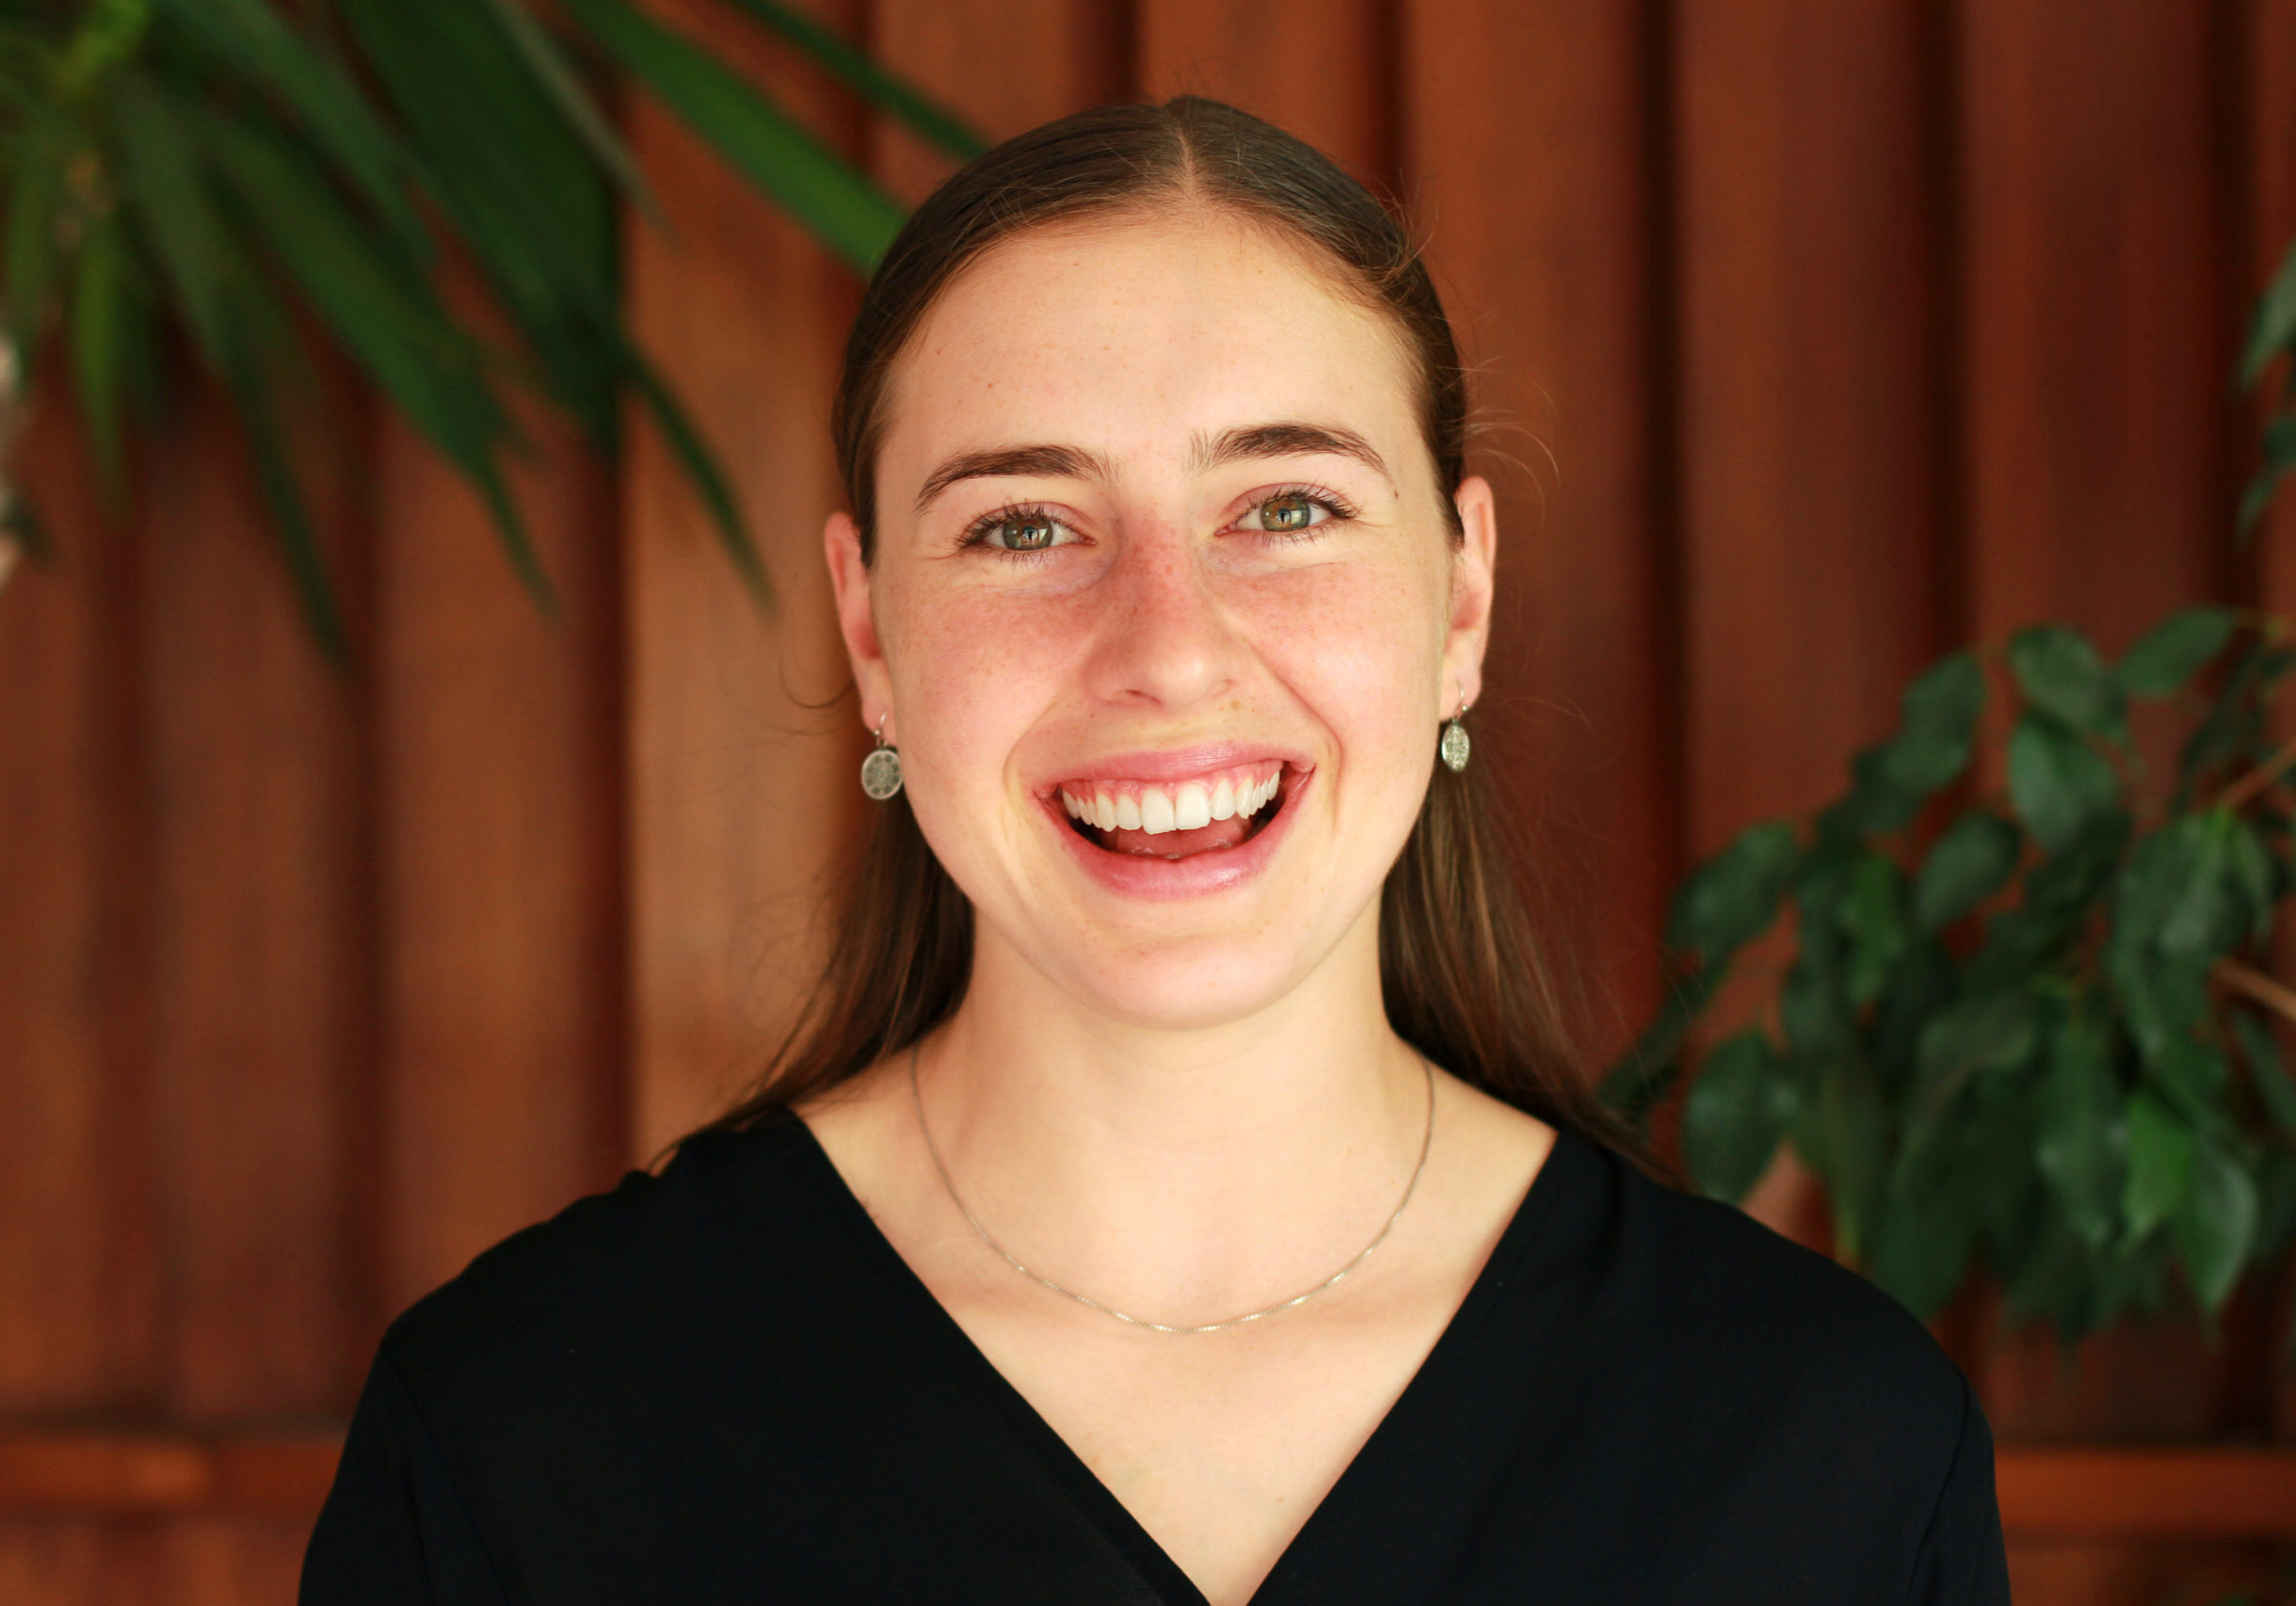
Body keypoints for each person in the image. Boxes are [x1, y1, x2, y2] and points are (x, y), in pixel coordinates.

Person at [299, 97, 2010, 1605]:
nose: (1169, 647)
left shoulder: (1824, 1446)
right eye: (1024, 524)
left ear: (1463, 597)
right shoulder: (522, 1433)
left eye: (1285, 507)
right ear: (873, 632)